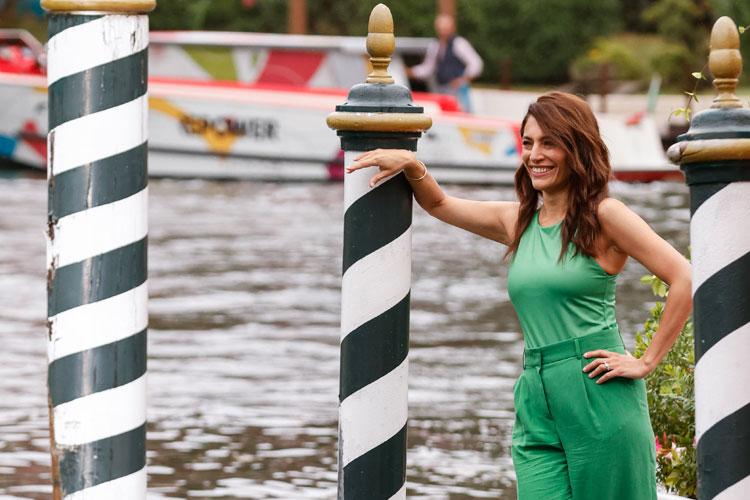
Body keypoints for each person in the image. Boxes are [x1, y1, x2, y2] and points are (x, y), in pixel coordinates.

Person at [345, 91, 692, 500]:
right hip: (535, 395)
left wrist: (647, 361)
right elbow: (439, 204)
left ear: (577, 147)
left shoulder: (606, 216)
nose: (534, 155)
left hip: (597, 391)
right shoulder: (518, 220)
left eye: (549, 142)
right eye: (528, 143)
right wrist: (412, 163)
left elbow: (683, 277)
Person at [408, 13, 483, 113]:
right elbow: (428, 68)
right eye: (440, 27)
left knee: (462, 115)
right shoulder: (435, 45)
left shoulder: (459, 43)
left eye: (445, 27)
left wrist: (463, 79)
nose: (442, 31)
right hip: (441, 90)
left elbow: (476, 63)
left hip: (458, 91)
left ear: (452, 28)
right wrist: (411, 72)